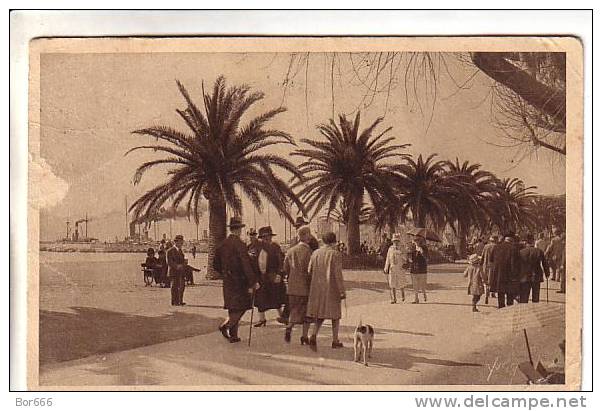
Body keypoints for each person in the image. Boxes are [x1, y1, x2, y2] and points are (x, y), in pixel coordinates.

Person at [213, 217, 260, 343]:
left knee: (233, 308)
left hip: (228, 281)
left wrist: (225, 273)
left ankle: (233, 336)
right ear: (239, 229)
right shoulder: (240, 245)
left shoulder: (222, 244)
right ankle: (226, 326)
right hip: (240, 282)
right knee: (242, 306)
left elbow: (215, 264)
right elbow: (246, 265)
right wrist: (253, 282)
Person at [306, 231, 346, 351]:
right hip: (331, 288)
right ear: (334, 242)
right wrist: (342, 291)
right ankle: (335, 340)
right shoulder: (335, 254)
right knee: (335, 315)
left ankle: (313, 335)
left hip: (318, 289)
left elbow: (309, 270)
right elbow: (338, 274)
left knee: (319, 314)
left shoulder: (315, 253)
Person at [282, 225, 314, 344]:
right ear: (305, 236)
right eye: (309, 234)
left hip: (292, 287)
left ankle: (289, 326)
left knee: (294, 310)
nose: (310, 236)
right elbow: (310, 270)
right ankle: (304, 336)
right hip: (305, 287)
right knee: (307, 313)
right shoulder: (309, 252)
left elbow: (285, 268)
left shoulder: (290, 251)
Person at [253, 226, 287, 327]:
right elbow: (253, 261)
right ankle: (262, 319)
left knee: (277, 297)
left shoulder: (275, 247)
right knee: (260, 299)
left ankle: (282, 316)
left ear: (271, 237)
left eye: (268, 236)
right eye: (264, 237)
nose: (266, 239)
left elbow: (282, 262)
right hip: (261, 277)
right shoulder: (257, 247)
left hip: (273, 276)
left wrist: (280, 274)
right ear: (261, 238)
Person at [489, 233, 521, 308]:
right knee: (510, 295)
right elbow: (514, 263)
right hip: (509, 275)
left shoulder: (496, 247)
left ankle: (501, 309)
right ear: (512, 240)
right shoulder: (514, 249)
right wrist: (515, 276)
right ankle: (509, 310)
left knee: (500, 293)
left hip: (498, 275)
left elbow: (491, 260)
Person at [518, 233, 550, 303]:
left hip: (524, 277)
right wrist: (547, 273)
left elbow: (518, 265)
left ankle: (524, 312)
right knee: (536, 297)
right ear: (533, 241)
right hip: (536, 276)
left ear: (525, 242)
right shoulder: (539, 251)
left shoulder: (521, 252)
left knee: (524, 298)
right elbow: (545, 263)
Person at [383, 233, 408, 303]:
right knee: (392, 283)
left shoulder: (402, 248)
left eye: (397, 241)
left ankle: (403, 295)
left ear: (399, 241)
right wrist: (386, 267)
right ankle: (394, 299)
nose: (396, 242)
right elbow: (388, 258)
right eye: (394, 241)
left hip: (400, 267)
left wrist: (400, 253)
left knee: (401, 282)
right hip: (392, 268)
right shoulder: (390, 249)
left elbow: (406, 258)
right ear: (392, 241)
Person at [167, 235, 188, 306]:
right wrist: (177, 266)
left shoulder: (180, 251)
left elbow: (181, 260)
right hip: (173, 271)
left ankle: (180, 300)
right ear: (176, 242)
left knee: (182, 286)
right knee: (174, 286)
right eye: (180, 242)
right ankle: (174, 301)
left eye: (182, 242)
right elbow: (169, 262)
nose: (181, 244)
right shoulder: (170, 251)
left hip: (181, 271)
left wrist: (184, 262)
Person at [407, 237, 428, 304]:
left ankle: (424, 293)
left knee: (422, 285)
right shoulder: (412, 248)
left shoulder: (424, 248)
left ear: (420, 241)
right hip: (414, 269)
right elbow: (410, 259)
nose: (416, 241)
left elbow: (427, 258)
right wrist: (409, 256)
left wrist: (422, 251)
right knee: (415, 285)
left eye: (417, 240)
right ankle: (416, 299)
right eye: (415, 240)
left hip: (422, 269)